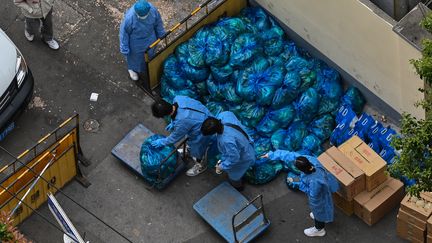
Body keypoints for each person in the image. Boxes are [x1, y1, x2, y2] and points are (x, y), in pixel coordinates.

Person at [262, 150, 339, 237]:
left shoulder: (314, 181)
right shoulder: (311, 161)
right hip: (325, 185)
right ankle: (322, 216)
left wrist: (295, 181)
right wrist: (271, 155)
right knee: (323, 207)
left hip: (319, 196)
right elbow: (291, 155)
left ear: (301, 170)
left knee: (319, 211)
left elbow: (312, 194)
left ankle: (319, 229)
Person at [151, 96, 214, 177]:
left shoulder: (181, 122)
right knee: (190, 141)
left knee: (198, 149)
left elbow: (173, 138)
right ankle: (189, 151)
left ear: (164, 116)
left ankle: (200, 165)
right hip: (205, 116)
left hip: (203, 131)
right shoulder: (178, 99)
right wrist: (173, 123)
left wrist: (162, 142)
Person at [201, 111, 255, 191]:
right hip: (246, 144)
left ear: (214, 132)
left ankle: (238, 187)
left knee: (234, 176)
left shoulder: (226, 141)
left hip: (244, 157)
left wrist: (222, 166)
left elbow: (234, 158)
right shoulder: (224, 115)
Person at [119, 0, 165, 81]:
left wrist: (161, 34)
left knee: (150, 55)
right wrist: (124, 48)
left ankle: (148, 67)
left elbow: (158, 22)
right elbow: (124, 34)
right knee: (136, 59)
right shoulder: (129, 18)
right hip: (136, 44)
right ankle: (132, 70)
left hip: (150, 38)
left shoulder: (152, 10)